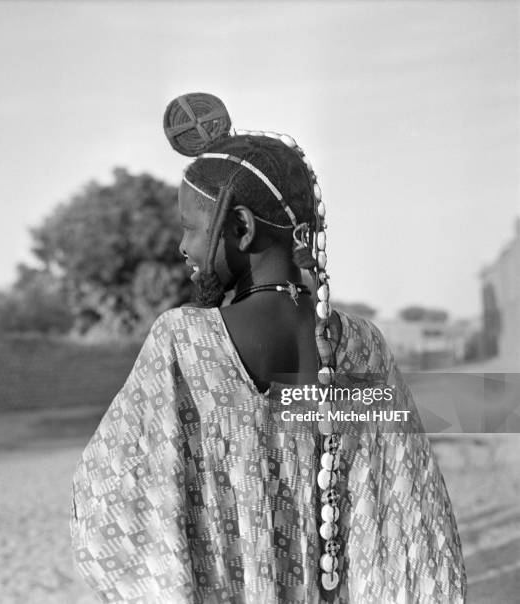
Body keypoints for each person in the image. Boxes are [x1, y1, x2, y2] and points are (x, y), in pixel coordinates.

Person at [70, 93, 467, 603]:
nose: (183, 247)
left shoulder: (183, 345)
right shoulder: (362, 346)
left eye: (190, 227)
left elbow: (107, 497)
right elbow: (409, 509)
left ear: (240, 228)